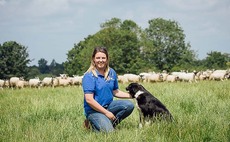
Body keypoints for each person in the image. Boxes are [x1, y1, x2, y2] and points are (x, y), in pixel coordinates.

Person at [82, 46, 134, 132]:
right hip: (94, 111)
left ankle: (109, 123)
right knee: (109, 133)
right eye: (98, 58)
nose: (101, 60)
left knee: (129, 105)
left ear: (107, 59)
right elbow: (89, 100)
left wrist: (134, 95)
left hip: (109, 106)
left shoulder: (111, 72)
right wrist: (106, 113)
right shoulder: (89, 76)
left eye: (103, 58)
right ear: (93, 59)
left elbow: (115, 91)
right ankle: (92, 125)